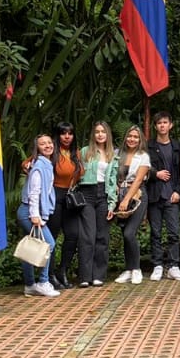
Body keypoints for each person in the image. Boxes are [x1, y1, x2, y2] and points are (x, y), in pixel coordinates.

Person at [73, 121, 116, 287]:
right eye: (97, 131)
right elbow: (75, 171)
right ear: (93, 134)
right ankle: (84, 276)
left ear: (107, 135)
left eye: (103, 132)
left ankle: (99, 275)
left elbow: (112, 181)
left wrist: (112, 205)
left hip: (103, 195)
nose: (100, 134)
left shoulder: (112, 154)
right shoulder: (85, 151)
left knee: (102, 236)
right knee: (87, 236)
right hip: (87, 194)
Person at [17, 133, 59, 297]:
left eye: (49, 142)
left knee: (31, 247)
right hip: (29, 211)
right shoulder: (39, 167)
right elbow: (34, 193)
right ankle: (42, 282)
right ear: (37, 148)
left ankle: (29, 285)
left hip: (30, 211)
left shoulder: (45, 164)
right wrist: (35, 215)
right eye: (43, 144)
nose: (48, 145)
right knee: (48, 244)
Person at [147, 112, 180, 280]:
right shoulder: (148, 147)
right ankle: (157, 265)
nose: (162, 125)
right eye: (159, 123)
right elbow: (142, 168)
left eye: (165, 122)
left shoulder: (177, 146)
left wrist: (178, 191)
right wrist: (156, 174)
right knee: (155, 232)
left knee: (173, 232)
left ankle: (173, 265)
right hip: (154, 195)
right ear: (155, 126)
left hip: (172, 195)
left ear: (171, 125)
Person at [111, 125, 150, 285]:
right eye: (130, 136)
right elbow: (111, 175)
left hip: (136, 195)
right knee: (124, 233)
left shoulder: (143, 156)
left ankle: (136, 269)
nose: (132, 139)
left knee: (129, 233)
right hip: (119, 195)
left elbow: (139, 179)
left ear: (140, 139)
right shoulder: (116, 154)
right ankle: (128, 269)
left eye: (136, 137)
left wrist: (126, 199)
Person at [48, 122, 82, 289]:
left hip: (70, 197)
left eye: (70, 133)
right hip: (54, 195)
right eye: (63, 133)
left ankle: (63, 271)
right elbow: (29, 163)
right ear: (58, 135)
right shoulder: (52, 151)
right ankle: (50, 274)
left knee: (73, 235)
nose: (67, 136)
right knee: (52, 238)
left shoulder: (76, 152)